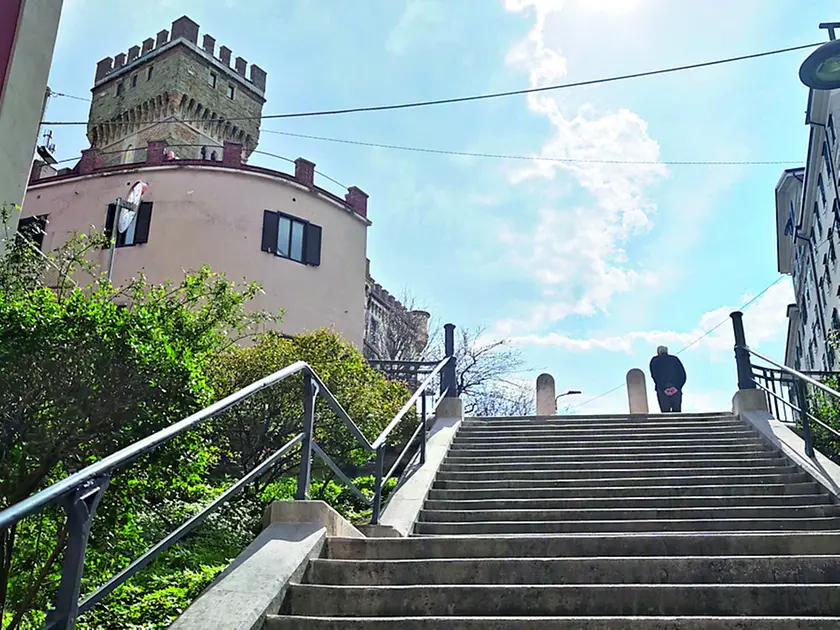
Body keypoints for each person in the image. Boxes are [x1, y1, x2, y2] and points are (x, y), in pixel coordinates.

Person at [649, 345, 686, 413]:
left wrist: (663, 388)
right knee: (677, 412)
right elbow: (682, 375)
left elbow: (654, 376)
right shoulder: (675, 359)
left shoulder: (654, 361)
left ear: (658, 352)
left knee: (665, 412)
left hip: (662, 389)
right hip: (675, 388)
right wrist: (677, 387)